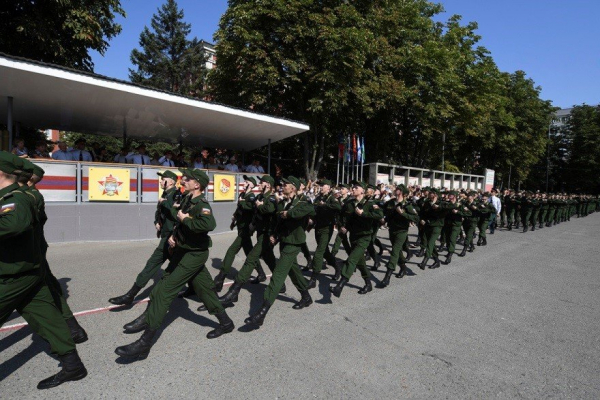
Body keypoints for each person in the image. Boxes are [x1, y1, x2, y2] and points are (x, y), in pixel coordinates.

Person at [116, 168, 234, 359]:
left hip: (194, 255)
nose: (183, 180)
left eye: (187, 179)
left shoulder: (202, 204)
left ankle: (144, 343)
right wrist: (173, 235)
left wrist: (186, 219)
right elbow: (178, 220)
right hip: (183, 250)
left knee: (163, 291)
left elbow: (208, 225)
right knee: (204, 290)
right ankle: (226, 323)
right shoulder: (187, 198)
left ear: (197, 184)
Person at [0, 151, 87, 389]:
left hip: (13, 274)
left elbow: (15, 224)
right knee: (47, 318)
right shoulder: (14, 196)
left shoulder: (16, 198)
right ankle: (73, 366)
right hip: (26, 271)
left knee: (48, 314)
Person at [18, 159, 88, 344]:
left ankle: (67, 343)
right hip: (32, 251)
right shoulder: (27, 194)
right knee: (48, 287)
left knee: (44, 289)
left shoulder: (29, 196)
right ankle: (72, 331)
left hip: (30, 253)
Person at [244, 176, 315, 328]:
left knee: (278, 275)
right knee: (293, 271)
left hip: (294, 242)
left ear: (294, 187)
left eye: (286, 184)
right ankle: (306, 296)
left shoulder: (304, 201)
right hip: (284, 241)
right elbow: (279, 222)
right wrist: (274, 235)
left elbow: (307, 210)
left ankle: (261, 313)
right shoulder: (282, 202)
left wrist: (288, 213)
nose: (283, 186)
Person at [108, 170, 179, 306]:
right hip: (165, 235)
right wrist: (157, 222)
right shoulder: (165, 194)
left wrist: (164, 203)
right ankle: (200, 288)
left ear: (171, 181)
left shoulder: (176, 194)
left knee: (155, 264)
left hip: (172, 238)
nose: (160, 181)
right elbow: (159, 212)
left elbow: (177, 213)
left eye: (163, 179)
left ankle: (131, 295)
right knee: (184, 266)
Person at [217, 175, 279, 309]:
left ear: (267, 184)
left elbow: (268, 210)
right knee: (269, 258)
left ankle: (233, 292)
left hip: (267, 235)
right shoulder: (259, 198)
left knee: (250, 259)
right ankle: (279, 282)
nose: (259, 184)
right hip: (258, 232)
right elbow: (255, 213)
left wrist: (255, 205)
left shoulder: (271, 198)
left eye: (261, 182)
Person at [329, 181, 383, 298]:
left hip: (364, 237)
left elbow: (379, 215)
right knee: (361, 263)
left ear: (362, 190)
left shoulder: (370, 204)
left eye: (355, 188)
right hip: (353, 236)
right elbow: (343, 217)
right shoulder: (349, 204)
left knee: (351, 260)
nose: (352, 190)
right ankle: (368, 283)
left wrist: (364, 214)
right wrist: (343, 227)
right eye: (352, 188)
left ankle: (339, 286)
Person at [212, 175, 260, 292]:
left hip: (245, 229)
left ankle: (220, 278)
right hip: (240, 226)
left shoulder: (252, 196)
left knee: (231, 251)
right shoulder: (243, 195)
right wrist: (234, 218)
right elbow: (239, 208)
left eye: (247, 181)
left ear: (252, 185)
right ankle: (261, 273)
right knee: (249, 251)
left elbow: (251, 208)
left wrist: (243, 203)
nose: (245, 183)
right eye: (245, 181)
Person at [379, 184, 419, 287]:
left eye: (398, 189)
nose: (395, 190)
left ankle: (387, 276)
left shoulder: (407, 205)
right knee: (398, 251)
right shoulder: (390, 202)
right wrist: (383, 219)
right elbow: (385, 212)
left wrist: (403, 214)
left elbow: (415, 218)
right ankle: (403, 267)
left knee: (395, 251)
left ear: (403, 193)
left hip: (402, 231)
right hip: (392, 230)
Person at [306, 179, 341, 288]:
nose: (321, 187)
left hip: (327, 228)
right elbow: (315, 210)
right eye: (320, 185)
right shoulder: (318, 197)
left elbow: (338, 207)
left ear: (329, 188)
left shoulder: (332, 198)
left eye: (323, 185)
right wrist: (311, 220)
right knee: (325, 252)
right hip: (318, 227)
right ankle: (337, 267)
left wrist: (325, 205)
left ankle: (313, 278)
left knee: (319, 252)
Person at [417, 188, 450, 270]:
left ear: (436, 195)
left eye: (432, 193)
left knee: (430, 243)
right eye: (429, 193)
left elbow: (443, 212)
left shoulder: (442, 203)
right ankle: (437, 261)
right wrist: (421, 219)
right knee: (431, 245)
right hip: (428, 225)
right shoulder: (427, 203)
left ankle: (424, 261)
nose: (429, 194)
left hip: (437, 226)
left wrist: (436, 206)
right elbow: (422, 213)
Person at [442, 191, 471, 265]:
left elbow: (469, 213)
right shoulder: (447, 204)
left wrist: (458, 212)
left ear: (454, 196)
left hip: (456, 225)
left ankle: (450, 255)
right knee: (447, 239)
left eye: (450, 196)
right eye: (449, 196)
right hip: (447, 224)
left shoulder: (460, 205)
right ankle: (449, 250)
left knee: (452, 239)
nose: (449, 197)